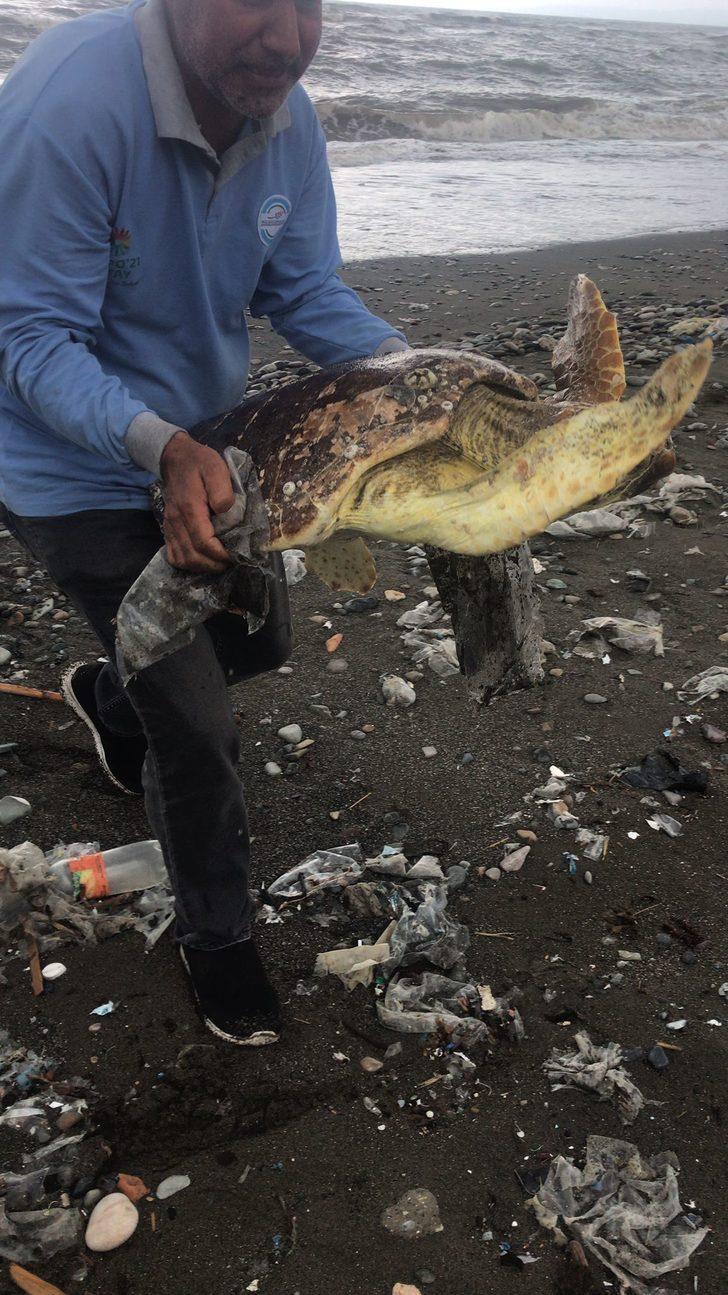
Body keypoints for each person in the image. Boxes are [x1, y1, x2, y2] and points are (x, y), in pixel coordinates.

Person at [0, 0, 407, 1046]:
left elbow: (304, 288)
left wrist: (426, 383)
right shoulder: (69, 106)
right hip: (66, 461)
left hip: (209, 440)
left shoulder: (282, 110)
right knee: (198, 723)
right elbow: (31, 338)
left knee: (259, 637)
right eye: (252, 2)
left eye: (305, 5)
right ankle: (216, 936)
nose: (284, 38)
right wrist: (157, 447)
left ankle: (107, 692)